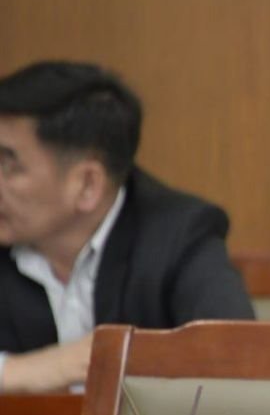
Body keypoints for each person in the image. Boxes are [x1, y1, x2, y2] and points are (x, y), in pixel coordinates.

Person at [0, 61, 254, 392]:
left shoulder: (179, 235)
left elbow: (234, 361)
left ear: (87, 185)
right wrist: (27, 370)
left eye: (8, 164)